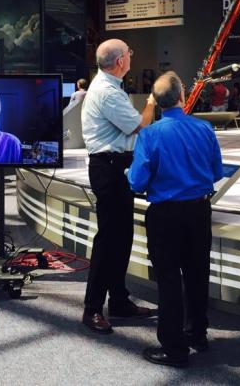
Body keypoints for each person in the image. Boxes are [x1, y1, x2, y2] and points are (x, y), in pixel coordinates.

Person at [128, 72, 223, 368]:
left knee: (169, 280)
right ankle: (198, 334)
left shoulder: (150, 134)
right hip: (198, 212)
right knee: (197, 273)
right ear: (182, 97)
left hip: (165, 216)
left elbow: (137, 180)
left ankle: (174, 348)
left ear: (155, 102)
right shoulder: (205, 128)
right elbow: (217, 172)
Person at [80, 38, 156, 334]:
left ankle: (120, 300)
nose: (131, 57)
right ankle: (92, 308)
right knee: (110, 239)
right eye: (130, 53)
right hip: (109, 169)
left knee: (121, 237)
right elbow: (140, 125)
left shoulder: (109, 88)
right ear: (121, 61)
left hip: (116, 167)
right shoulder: (107, 92)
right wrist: (151, 103)